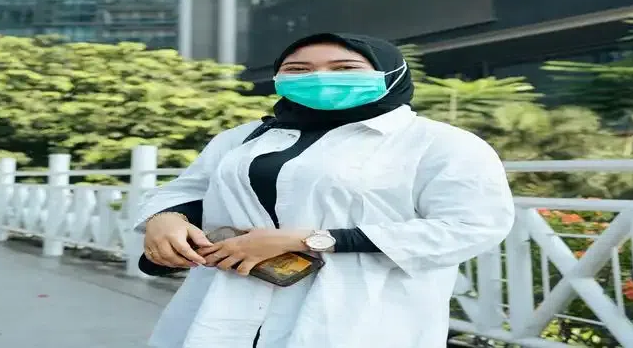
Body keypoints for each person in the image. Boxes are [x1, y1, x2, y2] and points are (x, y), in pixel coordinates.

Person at [135, 33, 515, 348]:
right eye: (297, 69)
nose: (318, 77)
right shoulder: (243, 137)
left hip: (358, 315)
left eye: (345, 68)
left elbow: (472, 226)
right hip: (225, 302)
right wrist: (166, 217)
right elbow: (190, 189)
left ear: (391, 74)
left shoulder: (440, 144)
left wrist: (311, 240)